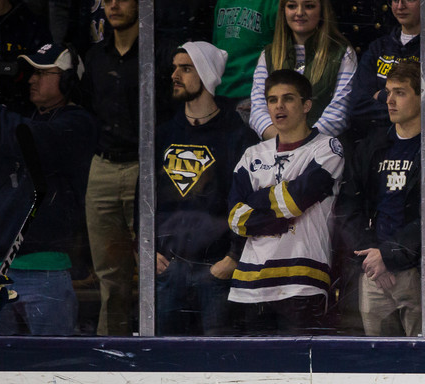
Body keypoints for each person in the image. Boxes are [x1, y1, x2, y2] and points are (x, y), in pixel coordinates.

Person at [337, 61, 425, 336]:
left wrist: (389, 256)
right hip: (373, 269)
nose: (389, 100)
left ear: (424, 97)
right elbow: (348, 206)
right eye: (388, 92)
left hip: (417, 270)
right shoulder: (372, 144)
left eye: (400, 93)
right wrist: (372, 257)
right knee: (378, 357)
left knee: (423, 355)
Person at [0, 43, 96, 335]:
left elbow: (27, 139)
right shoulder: (20, 116)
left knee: (52, 357)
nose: (32, 79)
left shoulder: (78, 123)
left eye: (43, 73)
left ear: (68, 81)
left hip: (46, 268)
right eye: (31, 73)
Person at [227, 69, 344, 334]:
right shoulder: (251, 154)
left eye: (288, 98)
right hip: (249, 285)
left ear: (306, 105)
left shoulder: (327, 148)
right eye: (272, 100)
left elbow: (295, 200)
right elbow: (235, 218)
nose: (279, 106)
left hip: (302, 280)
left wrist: (255, 201)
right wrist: (279, 213)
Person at [155, 41, 258, 336]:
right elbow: (144, 197)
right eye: (175, 68)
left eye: (186, 69)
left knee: (218, 357)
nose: (175, 75)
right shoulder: (162, 133)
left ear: (207, 74)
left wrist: (232, 258)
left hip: (216, 270)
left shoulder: (239, 137)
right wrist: (147, 250)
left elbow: (251, 204)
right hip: (168, 268)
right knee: (164, 358)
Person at [81, 0, 142, 335]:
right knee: (109, 274)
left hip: (143, 166)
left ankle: (158, 347)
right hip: (102, 165)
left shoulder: (156, 55)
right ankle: (109, 349)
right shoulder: (95, 57)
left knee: (152, 266)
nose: (114, 5)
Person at [348, 0, 425, 134]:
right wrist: (408, 109)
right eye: (395, 0)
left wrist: (382, 95)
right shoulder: (378, 47)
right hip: (378, 141)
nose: (400, 6)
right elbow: (357, 107)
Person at [248, 0, 356, 141]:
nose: (299, 13)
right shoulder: (268, 55)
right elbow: (258, 110)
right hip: (275, 146)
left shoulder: (343, 53)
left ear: (322, 11)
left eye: (309, 6)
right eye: (292, 6)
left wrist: (302, 144)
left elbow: (339, 114)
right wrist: (283, 142)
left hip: (323, 147)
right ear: (283, 11)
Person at [211, 0, 277, 117]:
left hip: (253, 95)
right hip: (220, 91)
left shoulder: (273, 3)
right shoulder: (222, 3)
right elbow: (216, 47)